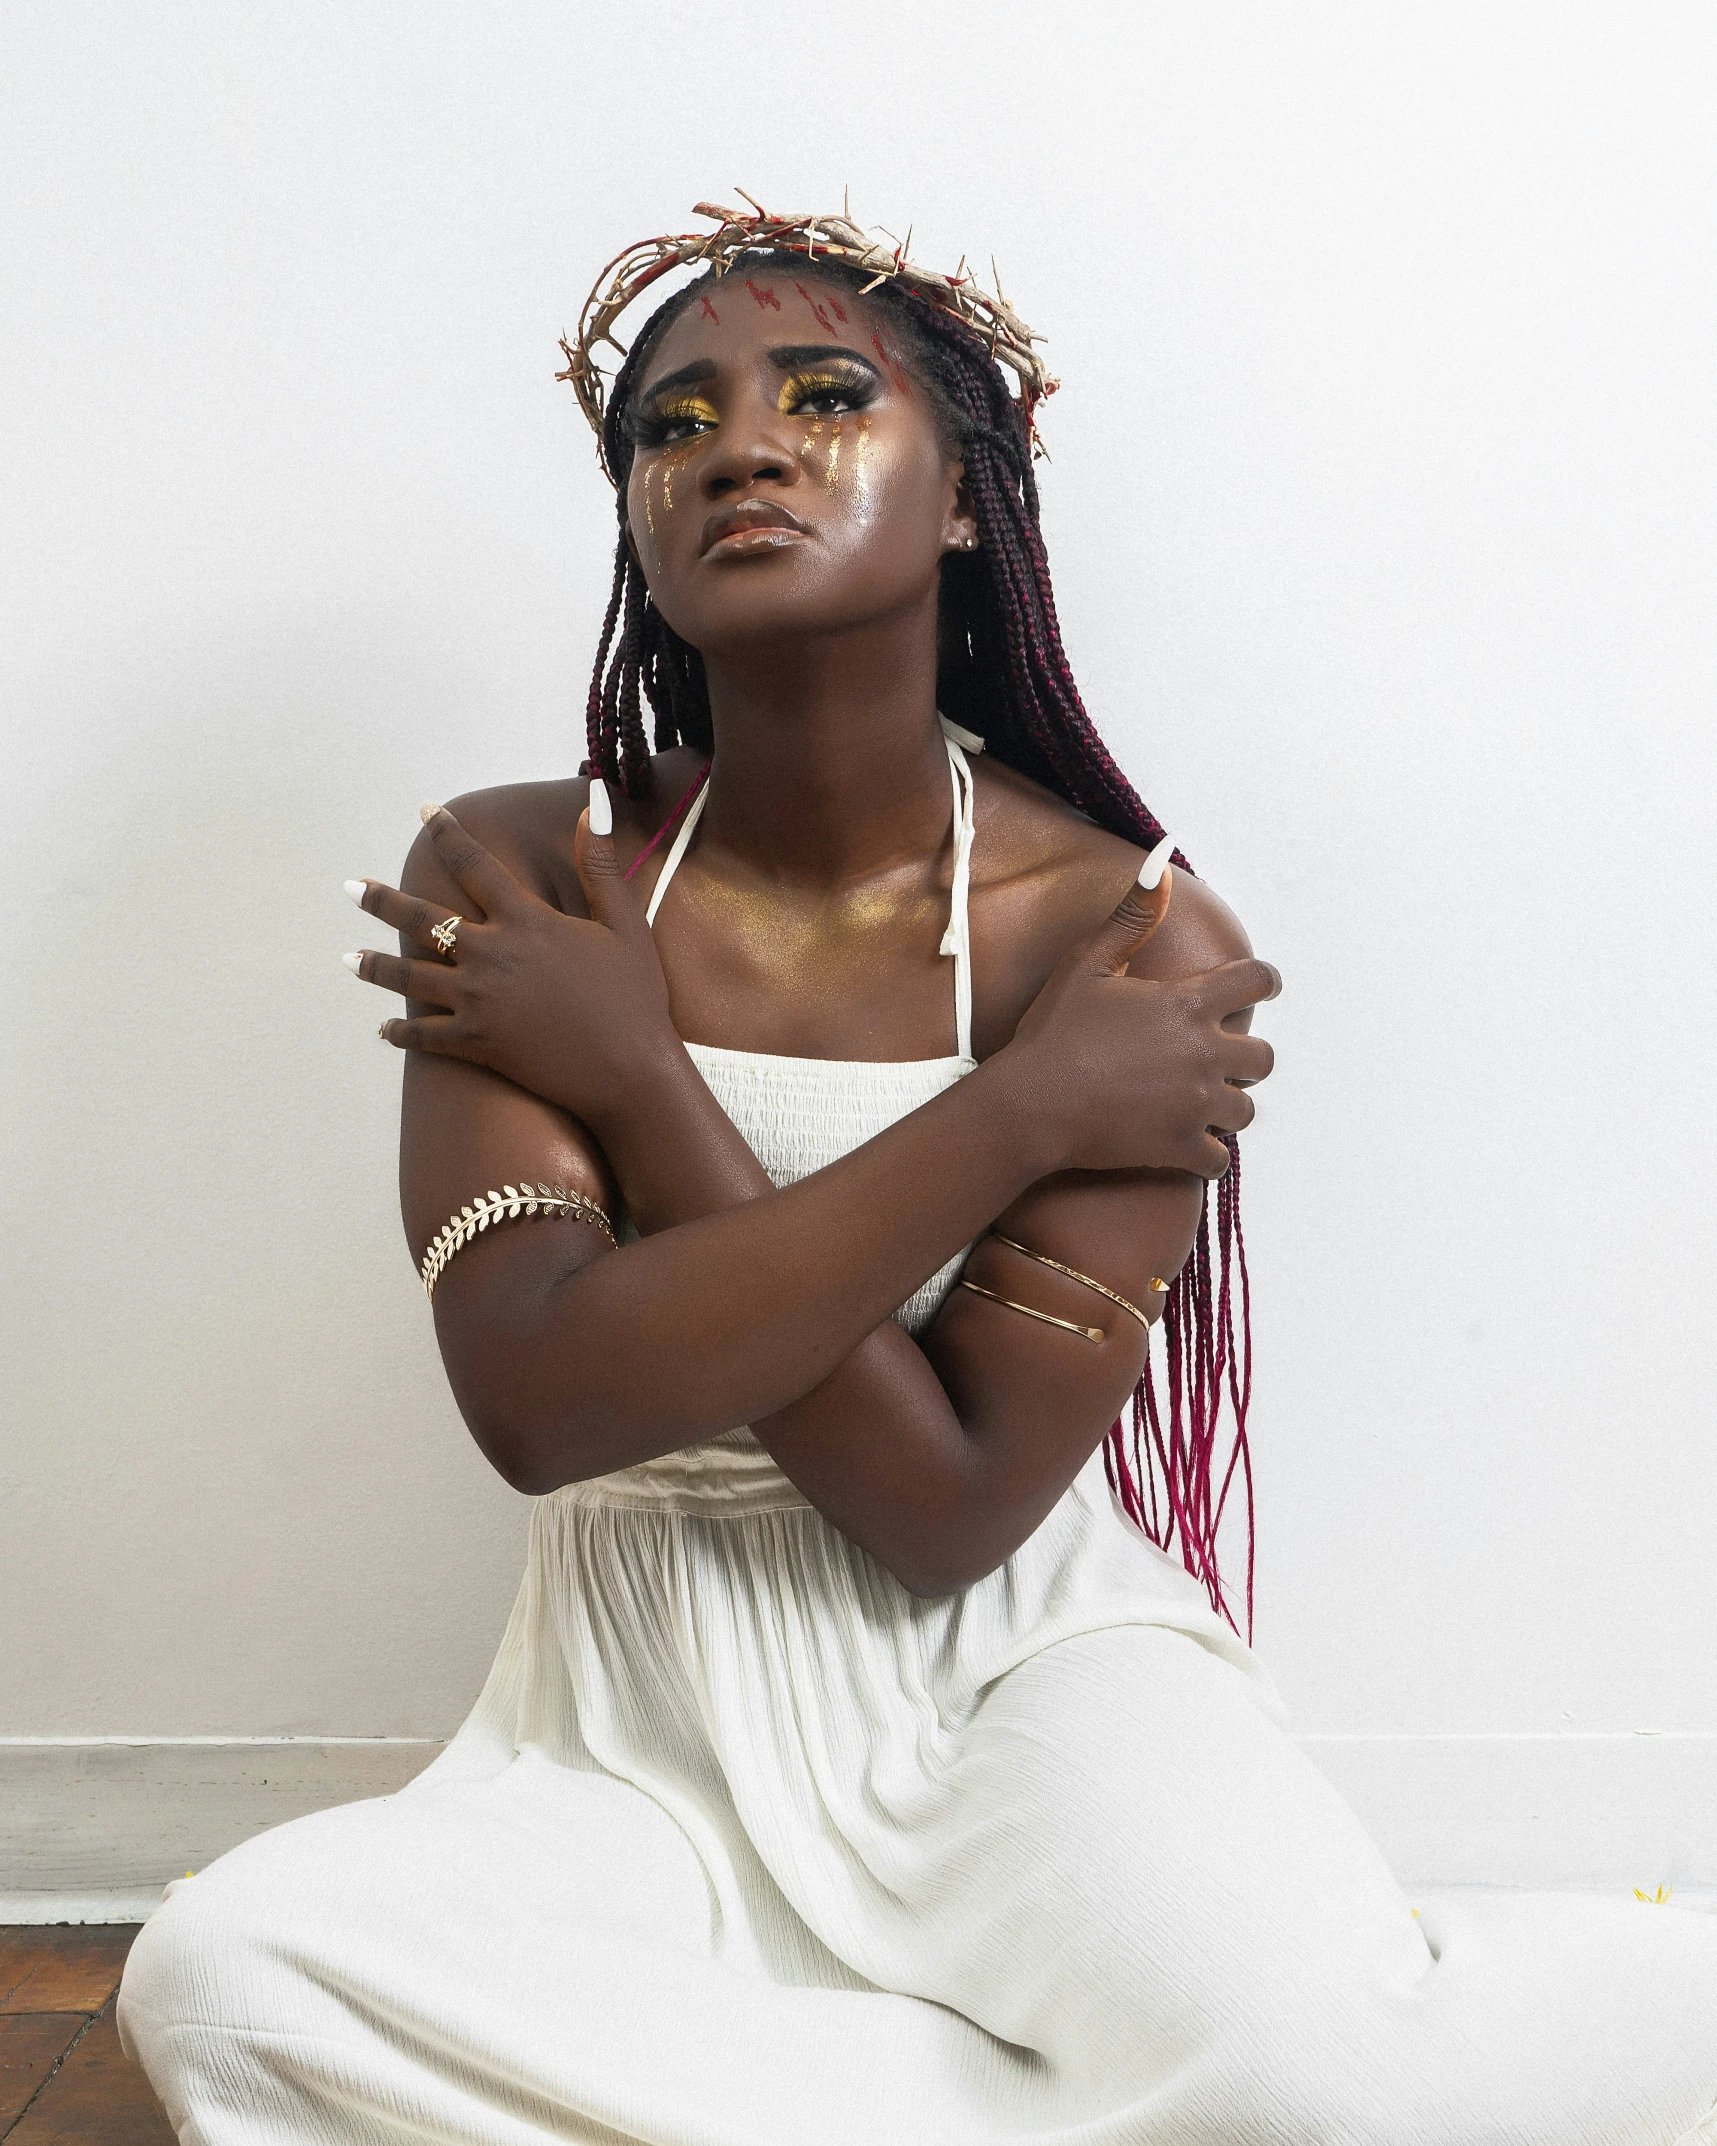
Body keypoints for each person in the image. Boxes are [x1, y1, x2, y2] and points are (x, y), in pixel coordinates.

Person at [119, 201, 1717, 2144]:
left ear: (965, 496)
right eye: (670, 424)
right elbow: (544, 1397)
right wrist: (1017, 1113)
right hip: (631, 1715)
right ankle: (1095, 2092)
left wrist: (633, 1079)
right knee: (225, 1981)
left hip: (1017, 1674)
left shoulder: (1134, 947)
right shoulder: (522, 869)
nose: (741, 446)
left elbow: (949, 1501)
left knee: (1329, 2079)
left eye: (822, 397)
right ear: (635, 514)